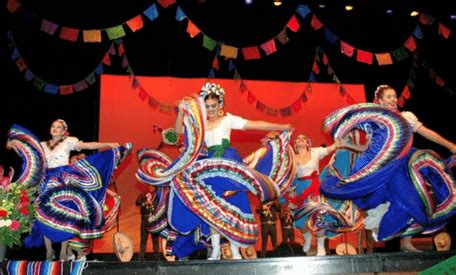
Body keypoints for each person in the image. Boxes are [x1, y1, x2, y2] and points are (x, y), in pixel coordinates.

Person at [174, 82, 292, 260]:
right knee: (212, 206)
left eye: (213, 106)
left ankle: (235, 249)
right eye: (207, 107)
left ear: (220, 104)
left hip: (228, 163)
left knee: (235, 202)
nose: (211, 110)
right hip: (208, 166)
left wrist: (281, 126)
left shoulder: (228, 120)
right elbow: (178, 131)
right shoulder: (201, 125)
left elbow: (254, 124)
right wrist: (182, 111)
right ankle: (215, 249)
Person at [372, 85, 456, 252]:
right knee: (404, 198)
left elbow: (427, 133)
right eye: (388, 97)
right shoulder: (377, 123)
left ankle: (405, 242)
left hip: (407, 163)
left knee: (416, 198)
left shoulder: (406, 117)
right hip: (387, 165)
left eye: (394, 96)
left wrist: (451, 145)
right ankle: (384, 227)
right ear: (380, 101)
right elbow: (369, 148)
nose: (393, 99)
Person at [40, 119, 119, 261]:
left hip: (61, 180)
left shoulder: (68, 142)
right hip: (47, 181)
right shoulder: (42, 145)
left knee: (65, 214)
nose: (55, 129)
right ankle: (48, 252)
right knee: (44, 214)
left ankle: (64, 252)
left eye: (59, 127)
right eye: (53, 126)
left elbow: (88, 145)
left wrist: (108, 144)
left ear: (64, 131)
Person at [135, 185, 160, 261]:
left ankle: (157, 258)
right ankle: (141, 258)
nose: (150, 188)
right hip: (145, 220)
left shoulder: (158, 195)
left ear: (155, 187)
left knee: (155, 240)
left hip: (154, 220)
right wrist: (145, 203)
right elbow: (137, 202)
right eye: (149, 186)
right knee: (143, 239)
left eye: (152, 186)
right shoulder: (143, 194)